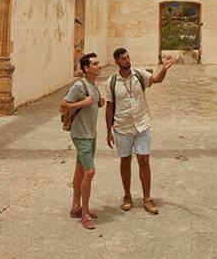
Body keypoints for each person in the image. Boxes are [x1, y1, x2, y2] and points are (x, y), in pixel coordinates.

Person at [105, 47, 177, 215]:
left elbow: (157, 79)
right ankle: (127, 196)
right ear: (117, 61)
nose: (127, 60)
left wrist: (164, 69)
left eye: (128, 57)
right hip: (122, 127)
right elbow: (109, 108)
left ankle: (147, 198)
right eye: (123, 58)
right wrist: (108, 131)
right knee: (125, 162)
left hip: (142, 124)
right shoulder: (111, 82)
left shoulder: (139, 75)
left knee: (144, 160)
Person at [61, 52, 103, 230]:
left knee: (80, 170)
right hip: (81, 135)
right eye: (95, 64)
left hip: (90, 135)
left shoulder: (94, 86)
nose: (98, 66)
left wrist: (97, 103)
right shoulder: (80, 85)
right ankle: (85, 213)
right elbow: (63, 106)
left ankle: (75, 207)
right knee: (89, 172)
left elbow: (92, 103)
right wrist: (82, 103)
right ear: (86, 68)